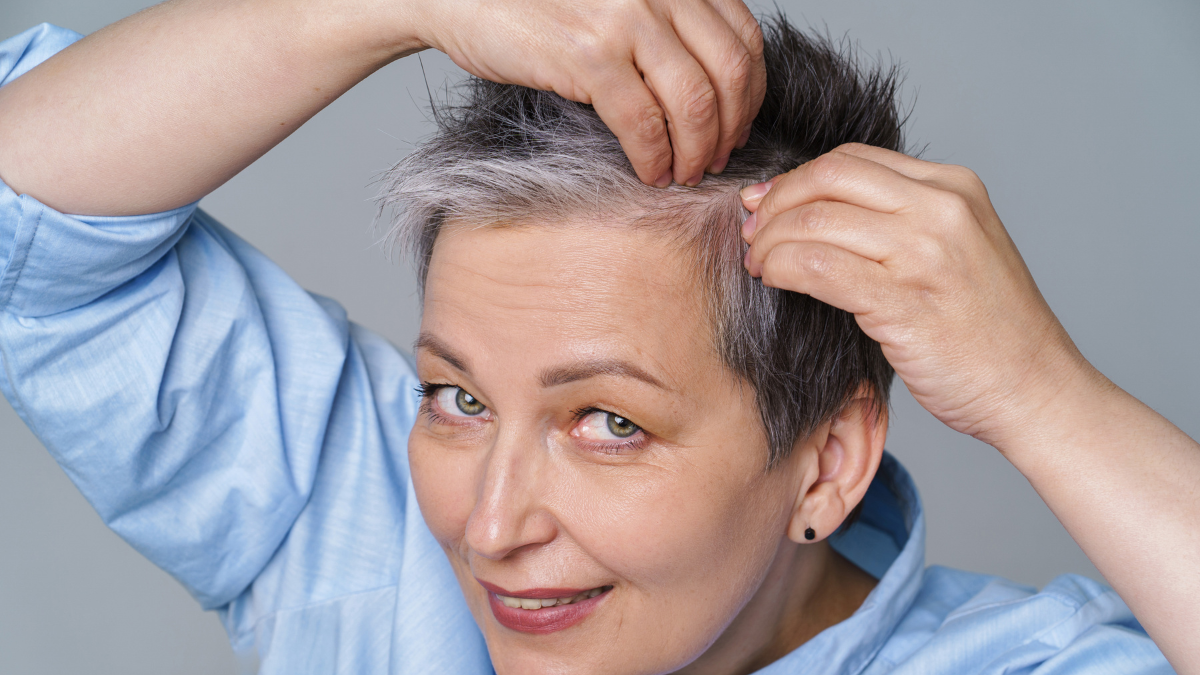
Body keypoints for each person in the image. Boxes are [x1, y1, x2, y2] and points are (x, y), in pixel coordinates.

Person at [0, 1, 1195, 674]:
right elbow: (26, 233)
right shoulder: (355, 529)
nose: (488, 524)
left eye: (608, 423)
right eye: (455, 397)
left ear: (826, 465)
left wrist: (1045, 400)